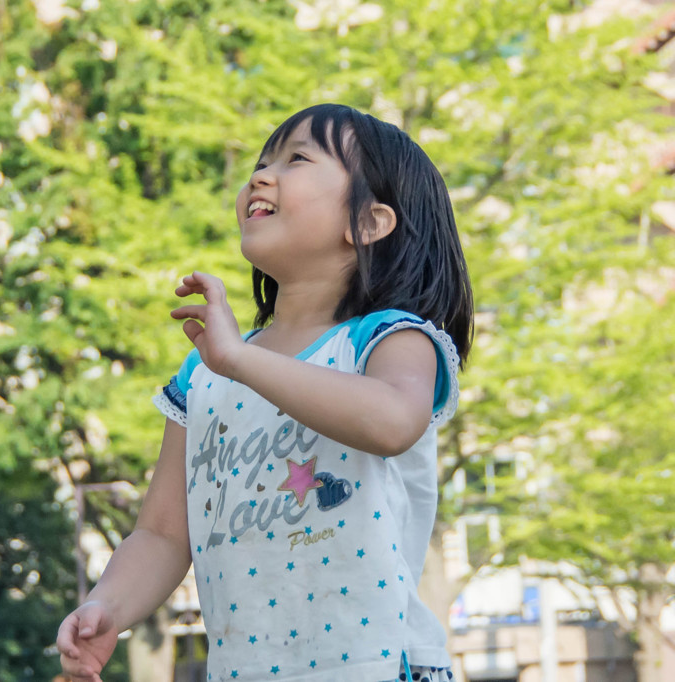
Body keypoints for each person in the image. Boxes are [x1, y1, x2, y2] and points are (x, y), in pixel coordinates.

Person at [57, 103, 473, 682]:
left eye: (296, 159)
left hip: (377, 665)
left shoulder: (389, 338)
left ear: (368, 223)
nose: (261, 176)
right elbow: (162, 533)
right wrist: (109, 606)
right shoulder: (204, 373)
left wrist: (240, 360)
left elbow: (393, 420)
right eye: (261, 164)